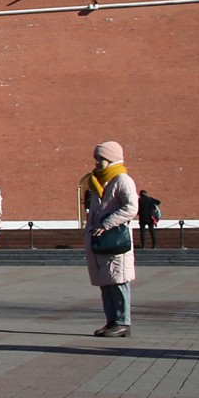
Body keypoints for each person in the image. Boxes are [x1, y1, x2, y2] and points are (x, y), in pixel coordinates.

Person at [84, 142, 138, 336]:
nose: (97, 162)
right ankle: (111, 321)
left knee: (118, 282)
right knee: (106, 283)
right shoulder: (99, 181)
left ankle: (123, 322)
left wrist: (107, 223)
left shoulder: (122, 180)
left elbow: (131, 208)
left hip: (115, 241)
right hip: (100, 241)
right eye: (96, 158)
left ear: (111, 158)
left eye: (101, 158)